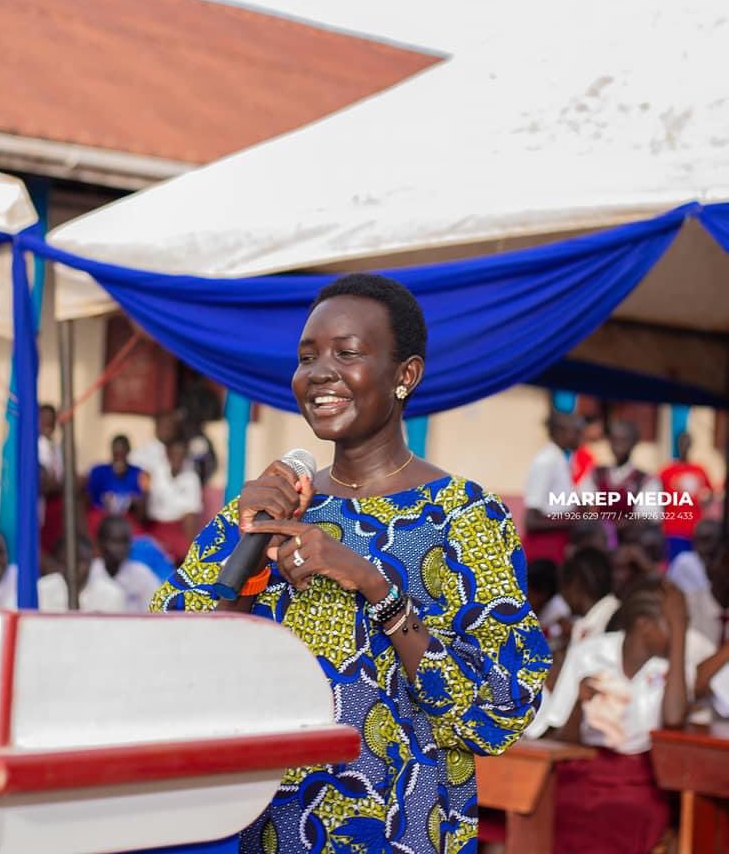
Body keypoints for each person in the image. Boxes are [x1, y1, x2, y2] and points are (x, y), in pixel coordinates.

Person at [151, 273, 550, 853]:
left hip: (401, 830)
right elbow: (170, 664)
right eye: (307, 356)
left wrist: (373, 585)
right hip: (259, 830)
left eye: (348, 353)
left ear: (405, 376)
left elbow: (501, 709)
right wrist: (250, 563)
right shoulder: (263, 509)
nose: (319, 373)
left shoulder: (463, 516)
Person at [547, 583, 712, 854]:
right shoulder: (589, 653)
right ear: (645, 625)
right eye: (671, 623)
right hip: (585, 767)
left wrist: (679, 635)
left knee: (635, 810)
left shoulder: (673, 666)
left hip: (643, 776)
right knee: (563, 805)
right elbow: (560, 739)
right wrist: (579, 704)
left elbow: (673, 720)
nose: (679, 632)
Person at [580, 420, 661, 546]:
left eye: (624, 440)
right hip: (598, 546)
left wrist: (610, 527)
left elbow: (645, 519)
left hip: (629, 548)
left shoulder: (645, 480)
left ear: (634, 443)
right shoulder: (596, 474)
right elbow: (583, 506)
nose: (618, 445)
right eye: (614, 439)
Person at [523, 410, 581, 563]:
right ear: (559, 432)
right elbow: (531, 520)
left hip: (558, 546)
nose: (580, 437)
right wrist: (574, 520)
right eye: (576, 431)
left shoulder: (561, 459)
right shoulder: (546, 461)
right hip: (543, 550)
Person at [146, 437, 202, 564]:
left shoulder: (191, 478)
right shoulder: (156, 473)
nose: (177, 458)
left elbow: (192, 513)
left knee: (190, 519)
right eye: (174, 454)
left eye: (181, 455)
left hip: (178, 528)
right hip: (155, 526)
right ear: (167, 455)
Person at [659, 431, 714, 560]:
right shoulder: (667, 471)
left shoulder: (699, 470)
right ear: (677, 446)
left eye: (687, 444)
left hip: (695, 530)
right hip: (672, 529)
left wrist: (704, 504)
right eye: (682, 444)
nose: (684, 447)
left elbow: (710, 493)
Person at [92, 516, 160, 613]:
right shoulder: (90, 573)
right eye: (115, 541)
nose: (121, 548)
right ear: (100, 542)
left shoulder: (141, 574)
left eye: (125, 541)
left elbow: (156, 611)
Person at [38, 537, 126, 613]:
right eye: (65, 561)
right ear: (58, 562)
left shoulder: (112, 593)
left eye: (80, 561)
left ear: (91, 561)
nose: (73, 567)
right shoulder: (42, 588)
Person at [85, 435, 147, 536]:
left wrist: (136, 501)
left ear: (128, 452)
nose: (119, 457)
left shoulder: (138, 473)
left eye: (122, 454)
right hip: (101, 517)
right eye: (116, 453)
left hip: (126, 520)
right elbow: (88, 499)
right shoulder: (98, 471)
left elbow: (142, 509)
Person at [668, 518, 722, 594]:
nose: (702, 546)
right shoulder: (684, 561)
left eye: (707, 539)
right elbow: (670, 586)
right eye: (698, 539)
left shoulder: (722, 564)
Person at [39, 402, 64, 554]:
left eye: (51, 420)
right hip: (42, 502)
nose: (48, 424)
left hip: (54, 505)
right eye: (44, 419)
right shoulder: (35, 446)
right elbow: (46, 483)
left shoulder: (56, 448)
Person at [130, 410, 182, 475]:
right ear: (156, 427)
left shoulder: (181, 454)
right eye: (164, 426)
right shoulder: (140, 454)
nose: (167, 430)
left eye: (170, 426)